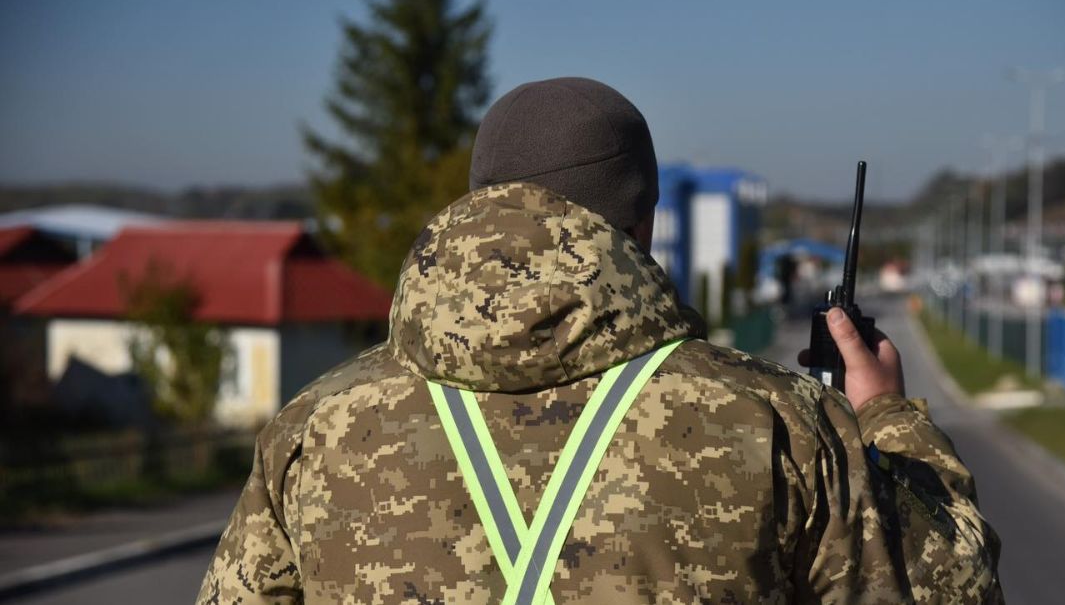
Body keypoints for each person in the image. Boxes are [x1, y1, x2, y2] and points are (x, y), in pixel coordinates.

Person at [198, 77, 1002, 604]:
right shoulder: (778, 425)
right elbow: (955, 590)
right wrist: (887, 419)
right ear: (641, 222)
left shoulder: (314, 429)